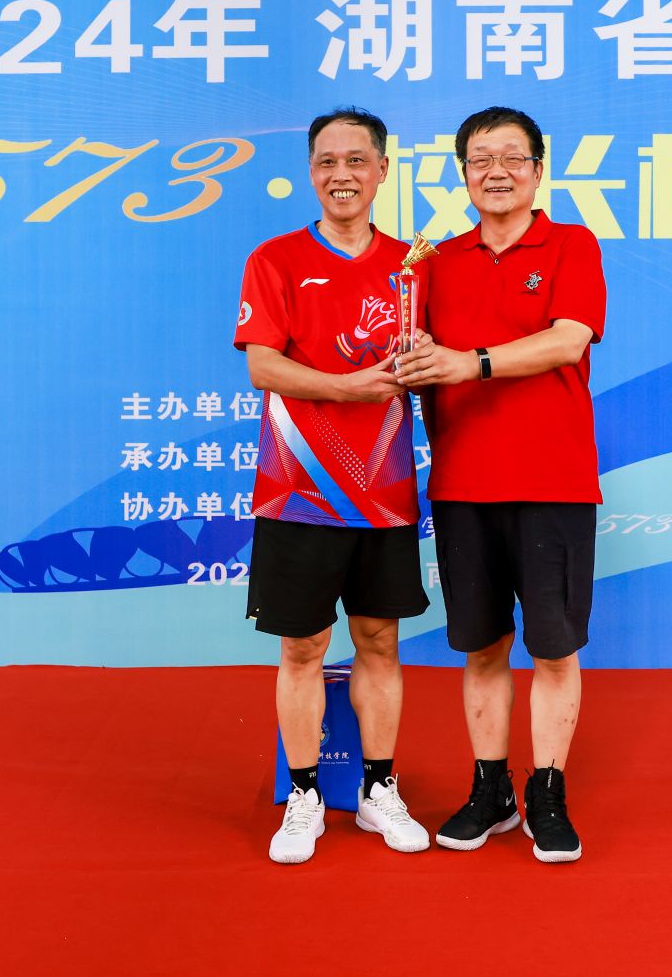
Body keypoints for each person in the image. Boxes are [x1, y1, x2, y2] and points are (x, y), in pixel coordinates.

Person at [396, 105, 606, 864]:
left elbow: (568, 339)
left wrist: (470, 362)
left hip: (554, 480)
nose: (497, 172)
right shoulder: (434, 263)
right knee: (482, 648)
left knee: (553, 649)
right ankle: (492, 790)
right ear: (463, 174)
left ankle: (548, 790)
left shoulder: (572, 244)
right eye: (481, 159)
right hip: (462, 483)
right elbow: (412, 357)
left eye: (513, 158)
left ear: (537, 171)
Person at [235, 108, 431, 865]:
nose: (341, 174)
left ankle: (380, 789)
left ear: (381, 170)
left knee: (380, 640)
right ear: (311, 172)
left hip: (384, 489)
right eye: (326, 161)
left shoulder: (415, 266)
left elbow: (433, 362)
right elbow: (263, 364)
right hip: (298, 488)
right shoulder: (276, 258)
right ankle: (304, 796)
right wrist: (349, 387)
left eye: (356, 160)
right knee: (303, 645)